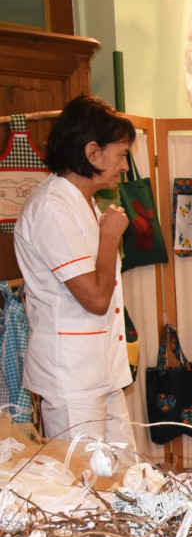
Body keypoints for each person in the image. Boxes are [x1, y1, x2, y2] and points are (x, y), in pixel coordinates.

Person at [14, 94, 137, 444]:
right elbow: (96, 299)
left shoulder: (84, 203)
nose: (125, 166)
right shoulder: (52, 208)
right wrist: (110, 237)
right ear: (92, 152)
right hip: (71, 376)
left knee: (125, 477)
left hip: (101, 369)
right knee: (85, 487)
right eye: (122, 154)